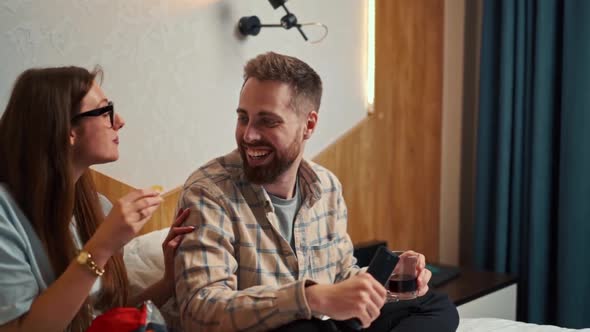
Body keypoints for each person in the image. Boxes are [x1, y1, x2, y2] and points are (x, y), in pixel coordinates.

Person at [174, 52, 459, 331]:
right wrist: (308, 298)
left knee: (437, 306)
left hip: (329, 322)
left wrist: (381, 280)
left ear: (308, 125)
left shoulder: (326, 186)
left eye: (267, 121)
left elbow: (342, 274)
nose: (248, 135)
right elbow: (200, 311)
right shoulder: (208, 192)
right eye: (243, 118)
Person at [0, 66, 193, 332]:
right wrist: (101, 246)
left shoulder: (96, 206)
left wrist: (168, 283)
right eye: (105, 111)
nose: (119, 121)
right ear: (69, 130)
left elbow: (101, 318)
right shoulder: (5, 216)